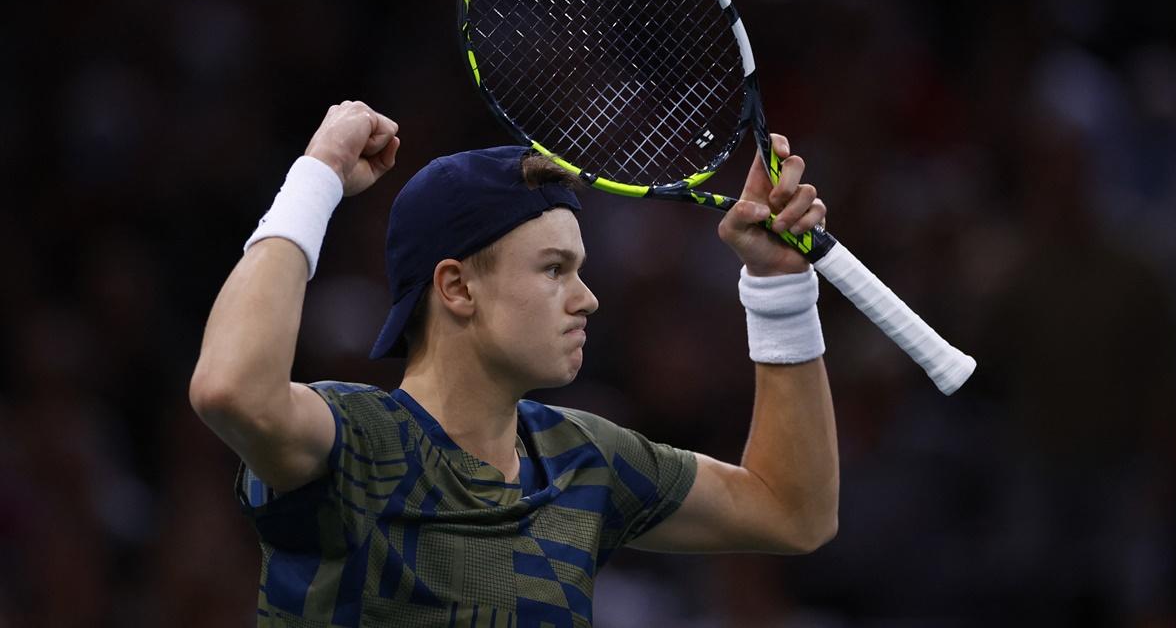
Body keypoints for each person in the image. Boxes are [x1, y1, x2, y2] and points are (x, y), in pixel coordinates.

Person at [190, 100, 839, 627]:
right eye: (555, 268)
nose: (587, 298)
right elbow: (230, 388)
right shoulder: (359, 442)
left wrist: (778, 285)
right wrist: (317, 172)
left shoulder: (584, 460)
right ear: (457, 288)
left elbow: (793, 510)